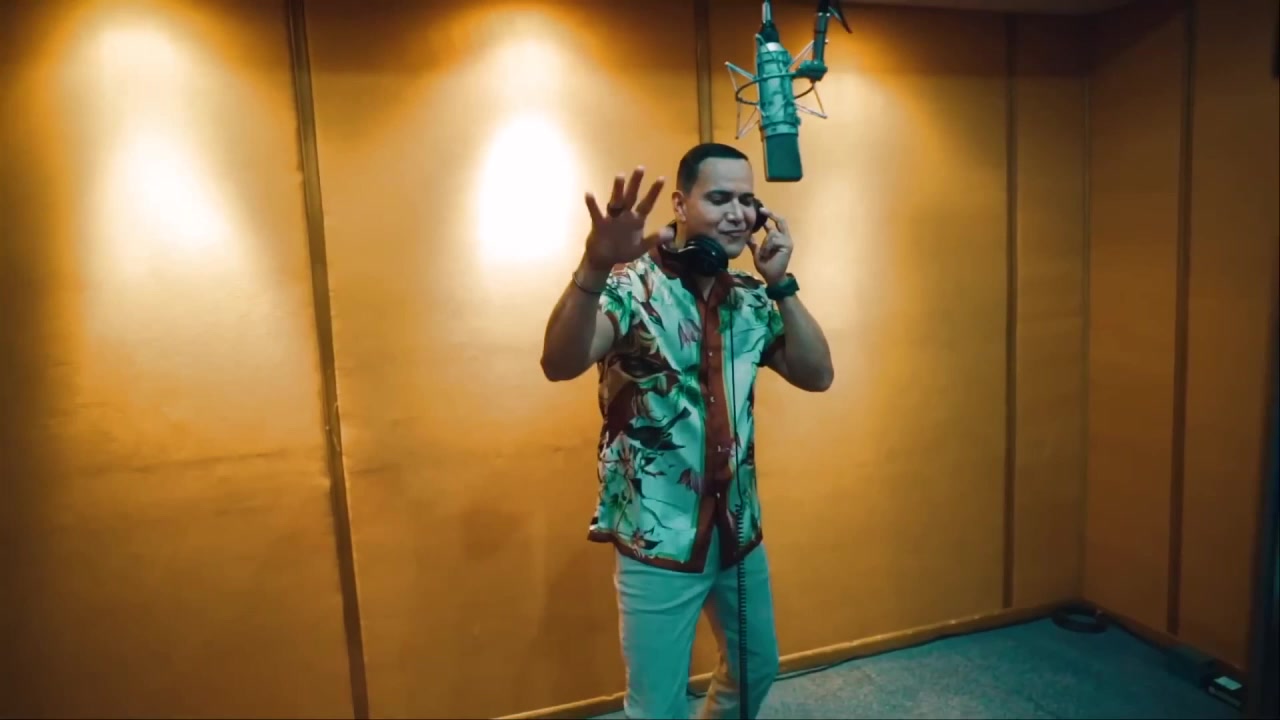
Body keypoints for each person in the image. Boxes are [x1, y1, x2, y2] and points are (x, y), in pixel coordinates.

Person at [539, 142, 834, 719]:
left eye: (747, 201)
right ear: (680, 204)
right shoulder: (630, 287)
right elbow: (559, 362)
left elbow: (817, 374)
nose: (737, 214)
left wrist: (782, 284)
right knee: (656, 709)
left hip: (737, 528)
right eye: (719, 198)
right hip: (658, 537)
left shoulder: (749, 298)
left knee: (756, 667)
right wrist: (594, 267)